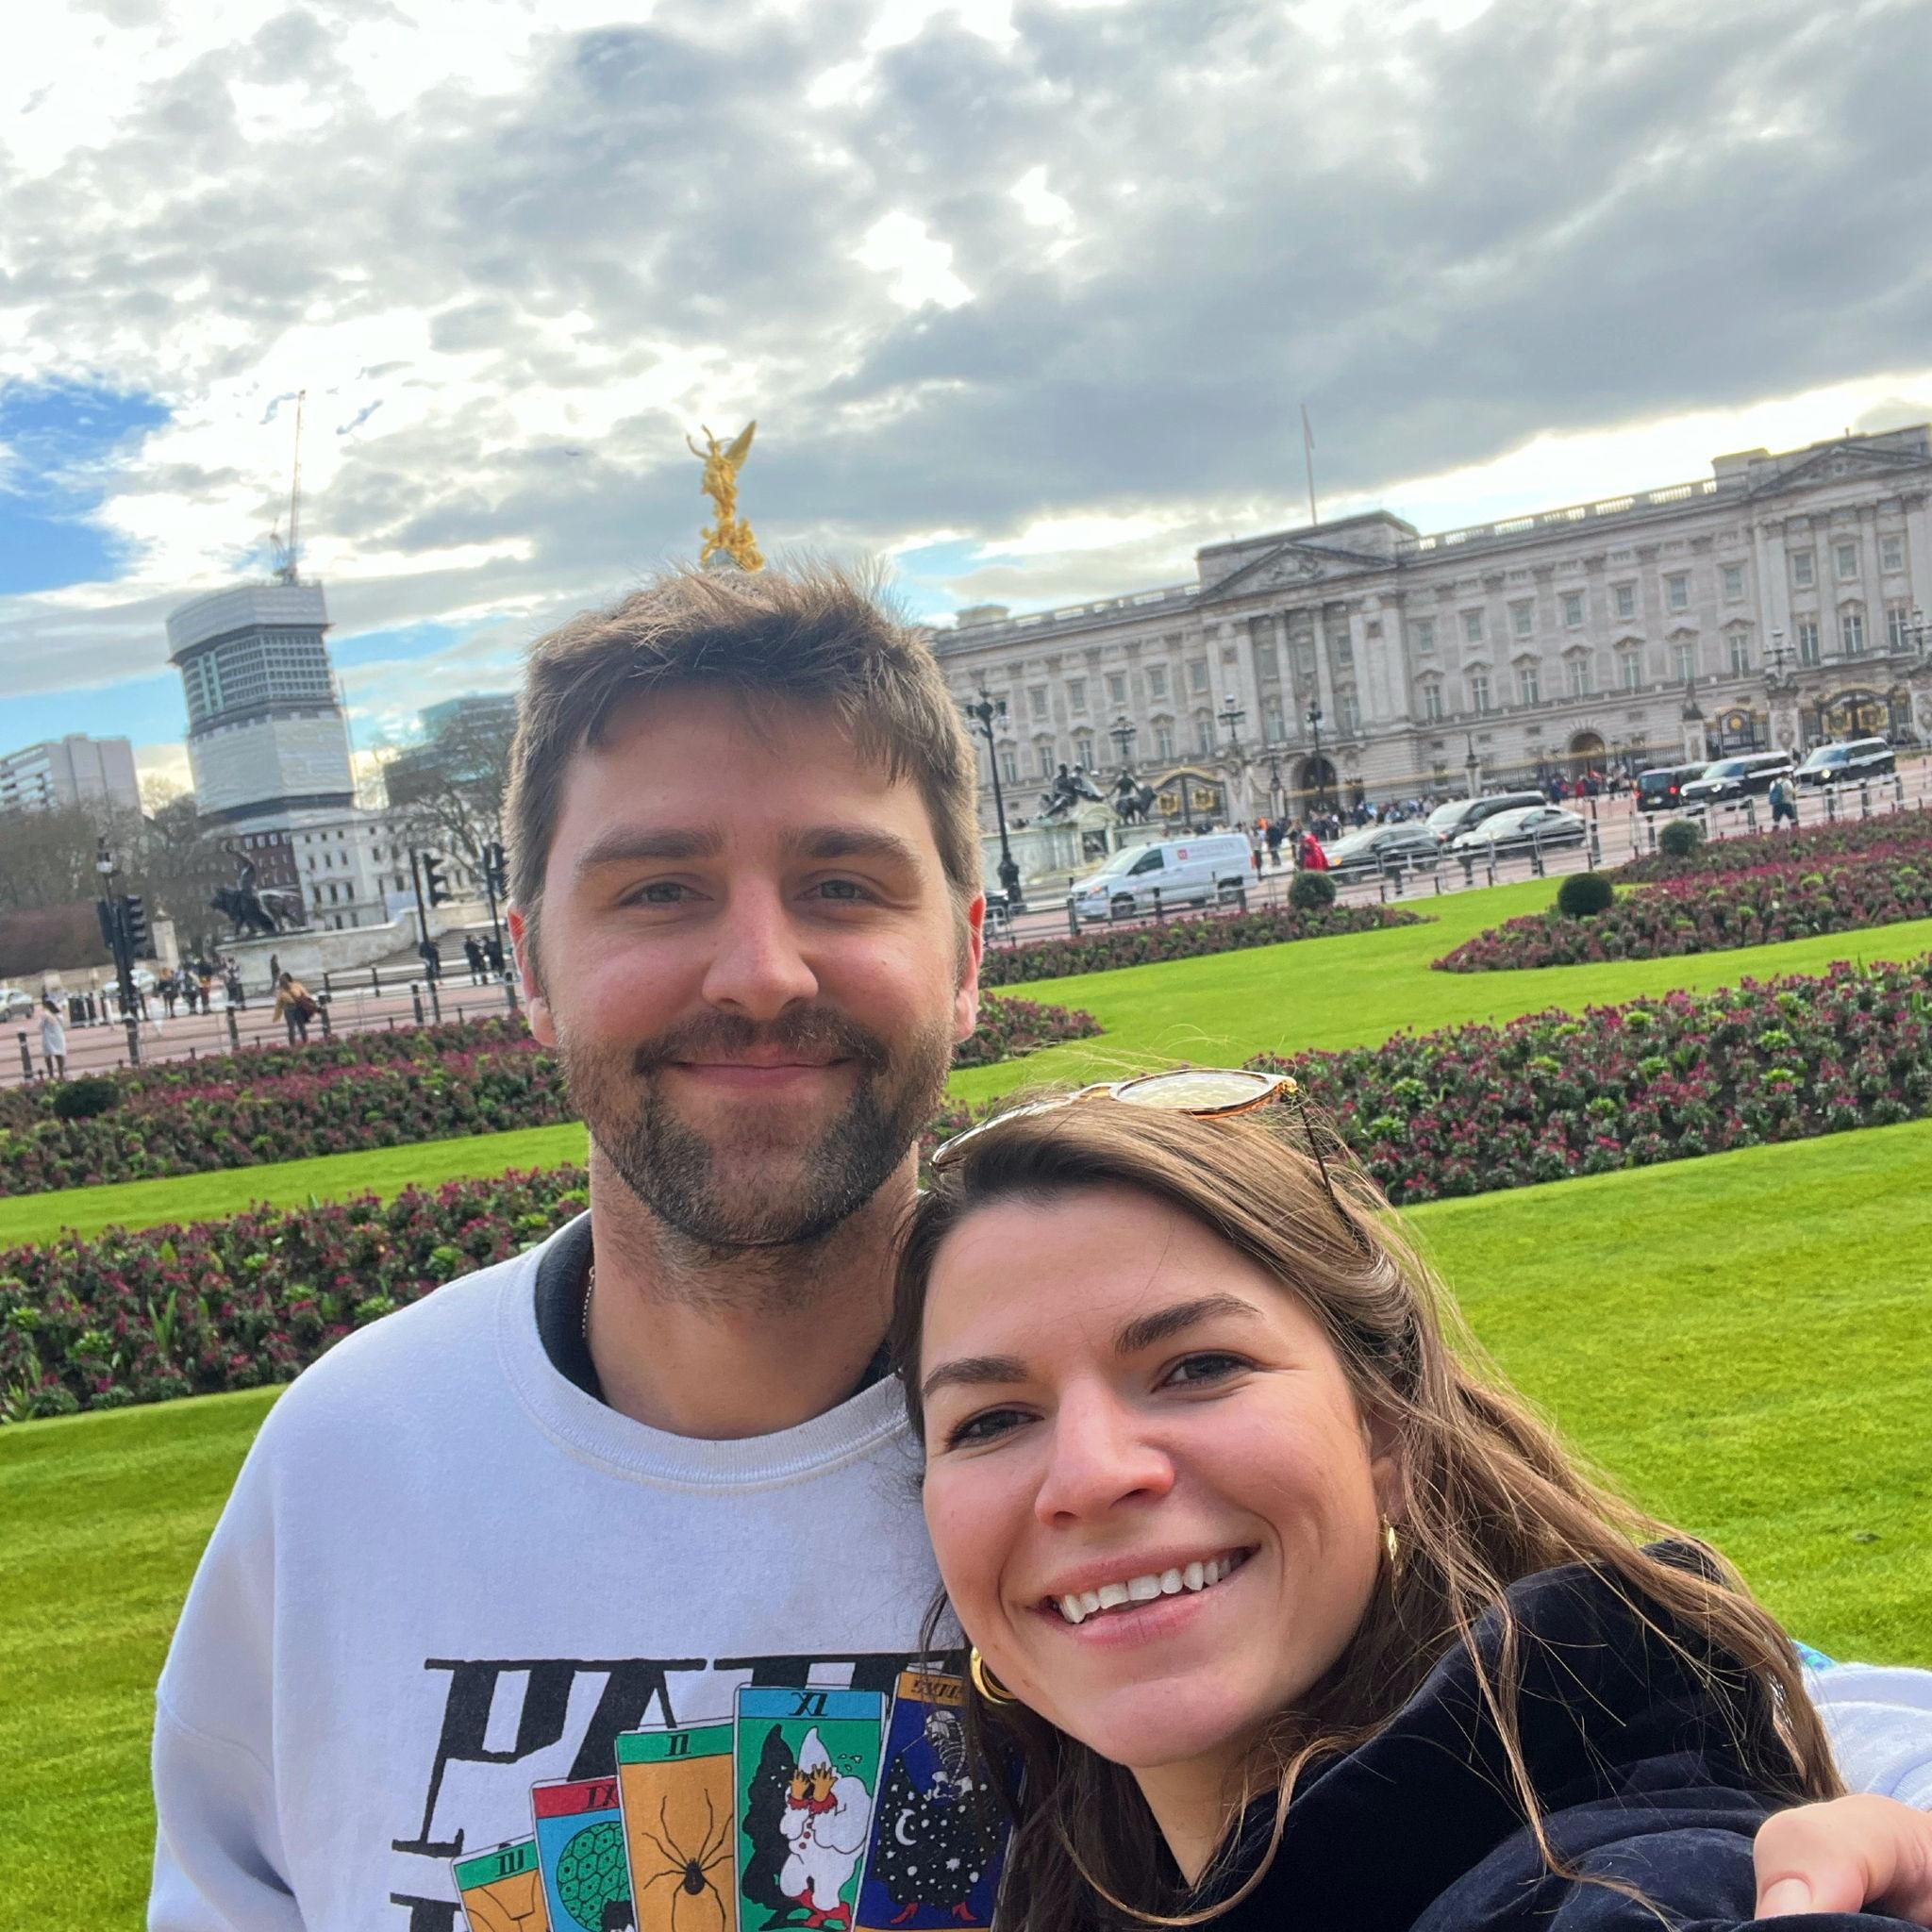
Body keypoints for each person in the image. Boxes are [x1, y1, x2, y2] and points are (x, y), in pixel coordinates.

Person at [149, 565, 1932, 1931]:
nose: (759, 969)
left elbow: (1634, 1706)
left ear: (968, 953)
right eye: (658, 887)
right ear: (527, 961)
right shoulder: (349, 1453)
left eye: (843, 884)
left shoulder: (1151, 1459)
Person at [892, 1084, 1932, 1931]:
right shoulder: (1080, 1872)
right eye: (990, 1420)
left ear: (1386, 1431)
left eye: (1198, 1366)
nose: (1087, 1474)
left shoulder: (1614, 1884)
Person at [273, 970, 317, 1043]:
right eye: (281, 980)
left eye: (284, 979)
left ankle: (305, 1042)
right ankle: (292, 1045)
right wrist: (277, 1016)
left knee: (301, 1026)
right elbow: (279, 1004)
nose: (283, 981)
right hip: (288, 1010)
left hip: (298, 1008)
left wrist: (310, 1003)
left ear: (288, 979)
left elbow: (305, 994)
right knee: (291, 1028)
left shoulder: (296, 985)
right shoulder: (281, 991)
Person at [39, 998, 68, 1079]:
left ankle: (51, 1076)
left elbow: (40, 1026)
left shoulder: (45, 1015)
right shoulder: (58, 1014)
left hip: (48, 1037)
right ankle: (61, 1075)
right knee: (59, 1056)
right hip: (58, 1036)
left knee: (48, 1057)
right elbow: (63, 1023)